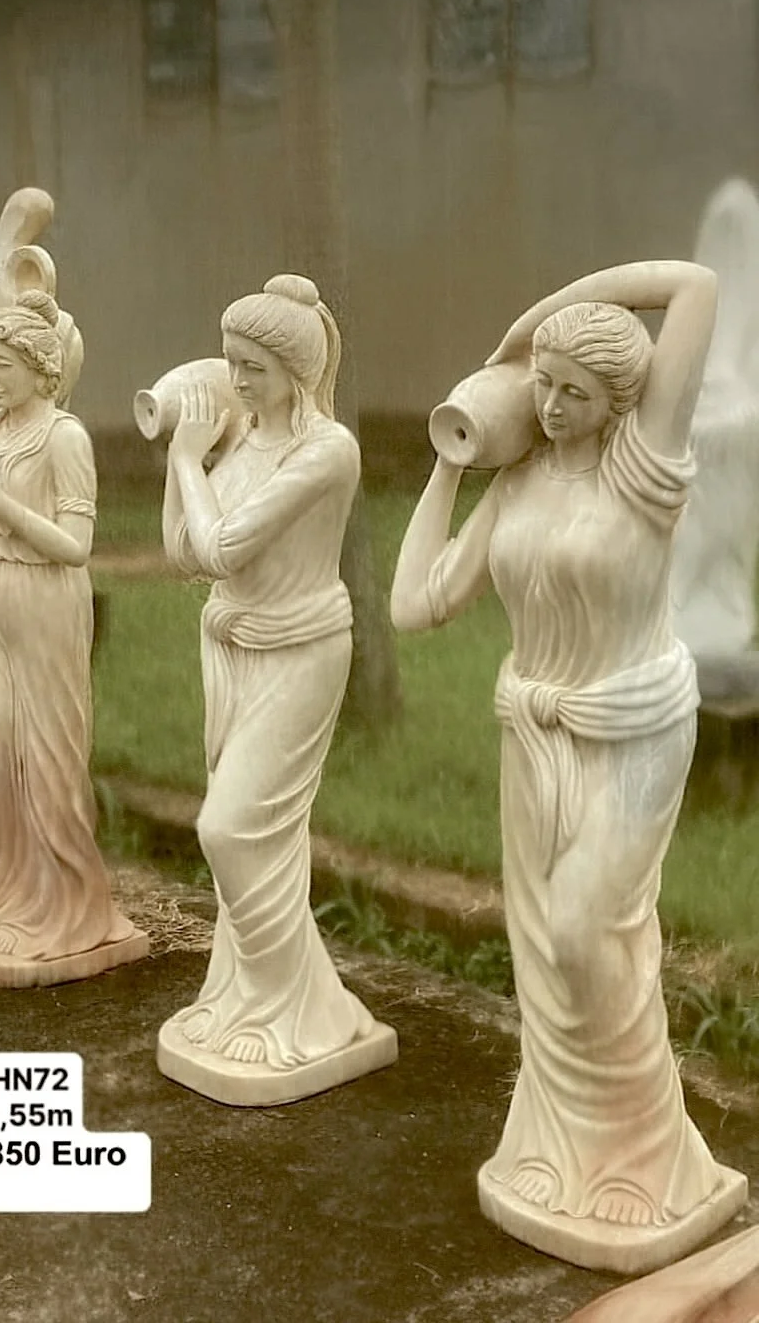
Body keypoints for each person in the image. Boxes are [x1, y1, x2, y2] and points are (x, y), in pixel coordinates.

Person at [391, 261, 746, 1261]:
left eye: (571, 392)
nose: (546, 406)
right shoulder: (515, 482)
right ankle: (557, 1151)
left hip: (632, 728)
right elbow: (413, 606)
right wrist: (453, 462)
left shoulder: (648, 465)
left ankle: (645, 1163)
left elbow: (693, 287)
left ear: (617, 402)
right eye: (538, 384)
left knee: (592, 935)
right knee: (544, 951)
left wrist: (528, 318)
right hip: (533, 735)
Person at [159, 273, 395, 1091]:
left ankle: (294, 1011)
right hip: (230, 648)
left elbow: (224, 548)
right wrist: (183, 462)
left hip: (300, 650)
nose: (236, 380)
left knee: (231, 829)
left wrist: (191, 461)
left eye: (251, 366)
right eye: (230, 363)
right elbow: (183, 552)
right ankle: (253, 1001)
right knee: (263, 839)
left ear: (293, 369)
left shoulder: (328, 451)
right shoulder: (242, 441)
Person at [0, 292, 142, 983]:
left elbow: (76, 545)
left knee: (48, 761)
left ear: (38, 366)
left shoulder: (64, 438)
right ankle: (16, 894)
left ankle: (72, 906)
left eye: (3, 363)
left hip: (47, 599)